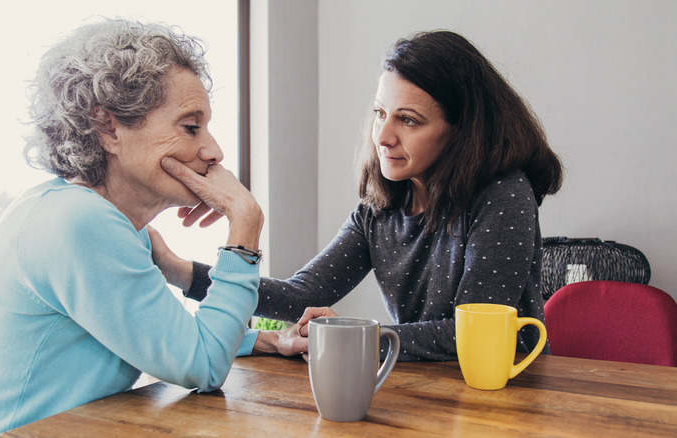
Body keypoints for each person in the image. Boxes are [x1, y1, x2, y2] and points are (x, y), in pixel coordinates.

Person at [0, 19, 264, 437]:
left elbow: (161, 334)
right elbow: (203, 365)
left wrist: (261, 341)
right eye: (190, 127)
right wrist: (245, 223)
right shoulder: (78, 223)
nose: (214, 151)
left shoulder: (91, 216)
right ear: (108, 128)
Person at [153, 30, 563, 362]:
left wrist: (349, 336)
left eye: (408, 120)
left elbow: (470, 333)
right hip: (424, 389)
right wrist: (176, 269)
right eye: (381, 114)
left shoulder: (503, 194)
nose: (383, 137)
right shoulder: (379, 210)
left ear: (462, 130)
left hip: (511, 392)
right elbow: (302, 295)